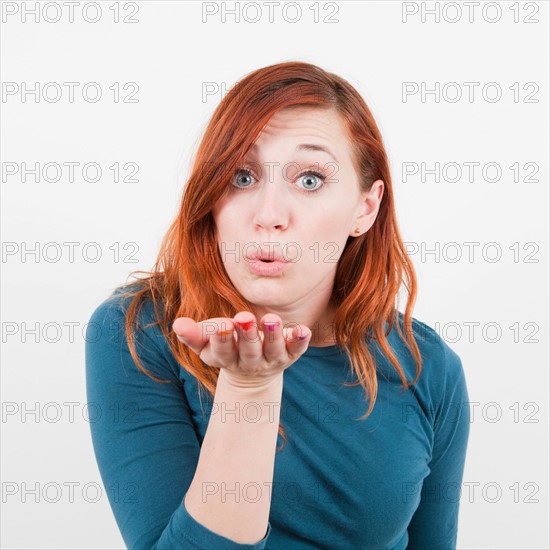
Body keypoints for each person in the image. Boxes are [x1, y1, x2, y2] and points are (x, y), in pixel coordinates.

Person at [85, 61, 470, 549]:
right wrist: (249, 390)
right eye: (242, 177)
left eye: (309, 179)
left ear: (365, 208)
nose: (268, 216)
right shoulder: (139, 331)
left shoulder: (427, 367)